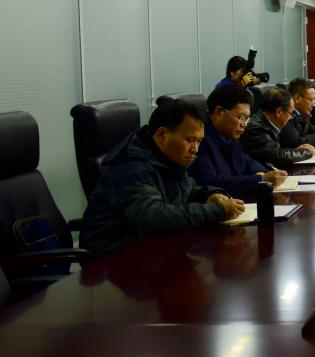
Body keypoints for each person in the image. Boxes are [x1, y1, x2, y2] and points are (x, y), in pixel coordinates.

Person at [80, 99, 247, 255]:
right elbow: (153, 216)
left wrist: (209, 195)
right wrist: (218, 210)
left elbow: (187, 189)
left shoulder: (166, 158)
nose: (195, 149)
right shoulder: (132, 168)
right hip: (113, 260)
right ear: (161, 135)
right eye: (190, 140)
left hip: (150, 251)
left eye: (198, 141)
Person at [189, 84, 286, 194]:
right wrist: (260, 179)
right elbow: (210, 182)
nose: (244, 124)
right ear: (219, 112)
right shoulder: (199, 140)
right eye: (241, 117)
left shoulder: (229, 134)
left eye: (247, 119)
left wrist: (262, 172)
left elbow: (246, 161)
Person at [241, 87, 315, 166]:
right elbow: (277, 156)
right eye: (290, 113)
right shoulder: (257, 129)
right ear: (279, 112)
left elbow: (277, 152)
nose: (290, 118)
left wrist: (298, 150)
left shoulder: (265, 122)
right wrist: (306, 151)